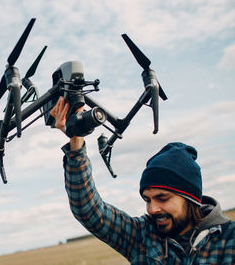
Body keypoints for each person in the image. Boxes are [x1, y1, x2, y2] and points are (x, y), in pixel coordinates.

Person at [50, 96, 235, 264]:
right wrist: (76, 138)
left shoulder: (229, 239)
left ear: (191, 197)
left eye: (162, 198)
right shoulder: (142, 235)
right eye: (147, 200)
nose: (152, 209)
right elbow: (87, 209)